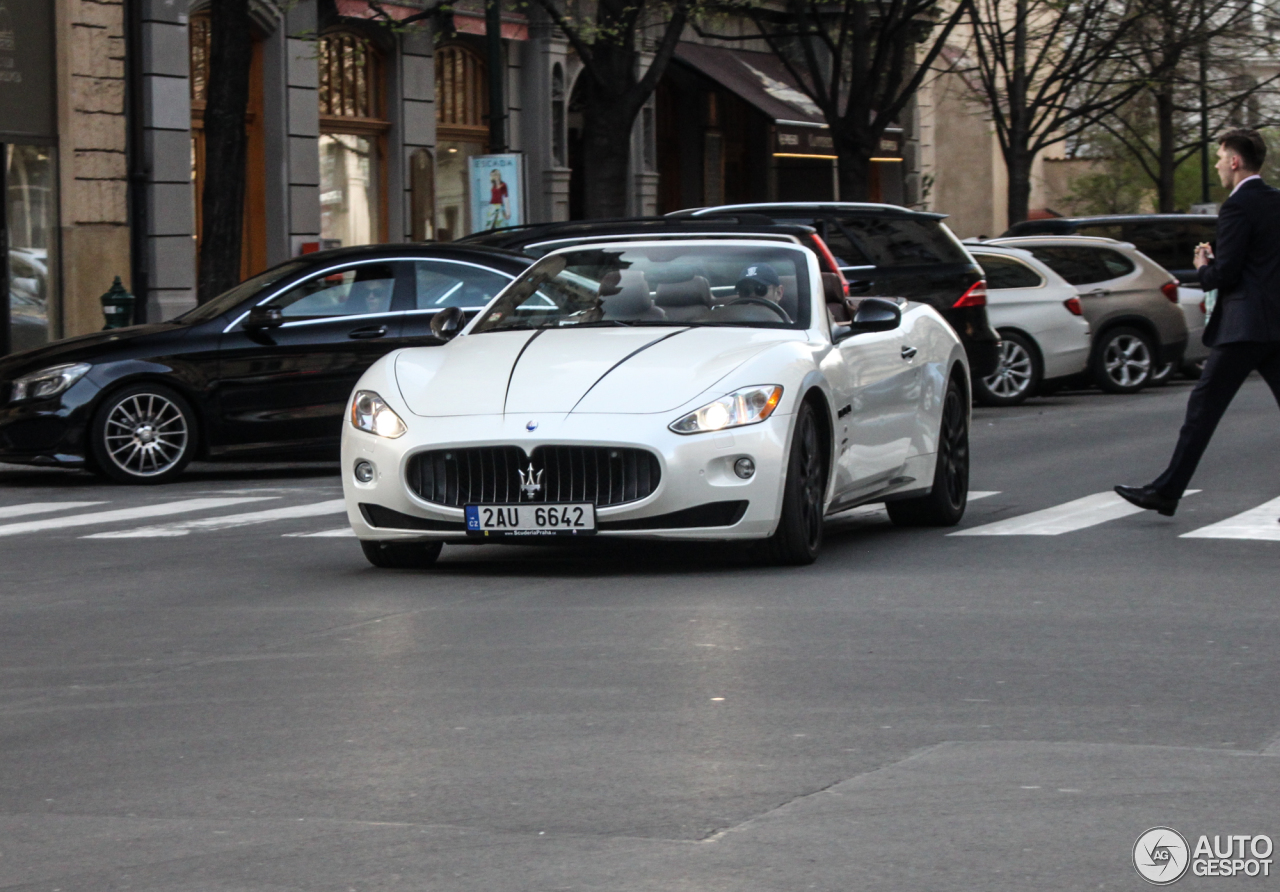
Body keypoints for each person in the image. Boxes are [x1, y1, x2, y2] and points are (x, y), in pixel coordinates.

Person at [1115, 129, 1280, 517]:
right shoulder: (1276, 201)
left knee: (1203, 410)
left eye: (1221, 157)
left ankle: (1167, 492)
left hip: (1245, 327)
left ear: (1236, 162)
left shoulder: (1237, 207)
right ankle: (1167, 490)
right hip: (1276, 325)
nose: (1219, 164)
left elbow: (1228, 274)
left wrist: (1204, 266)